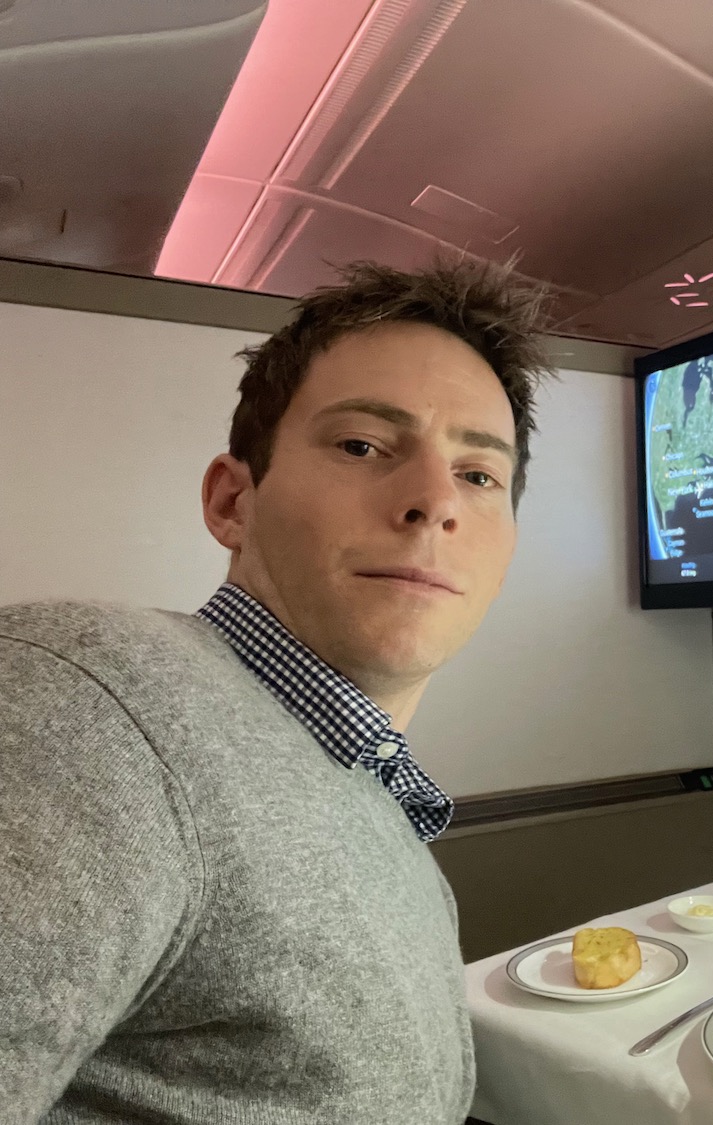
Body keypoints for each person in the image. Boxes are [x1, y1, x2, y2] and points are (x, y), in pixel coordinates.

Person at [0, 258, 553, 1123]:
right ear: (232, 501)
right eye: (364, 445)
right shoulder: (88, 701)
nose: (435, 503)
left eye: (480, 475)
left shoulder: (372, 789)